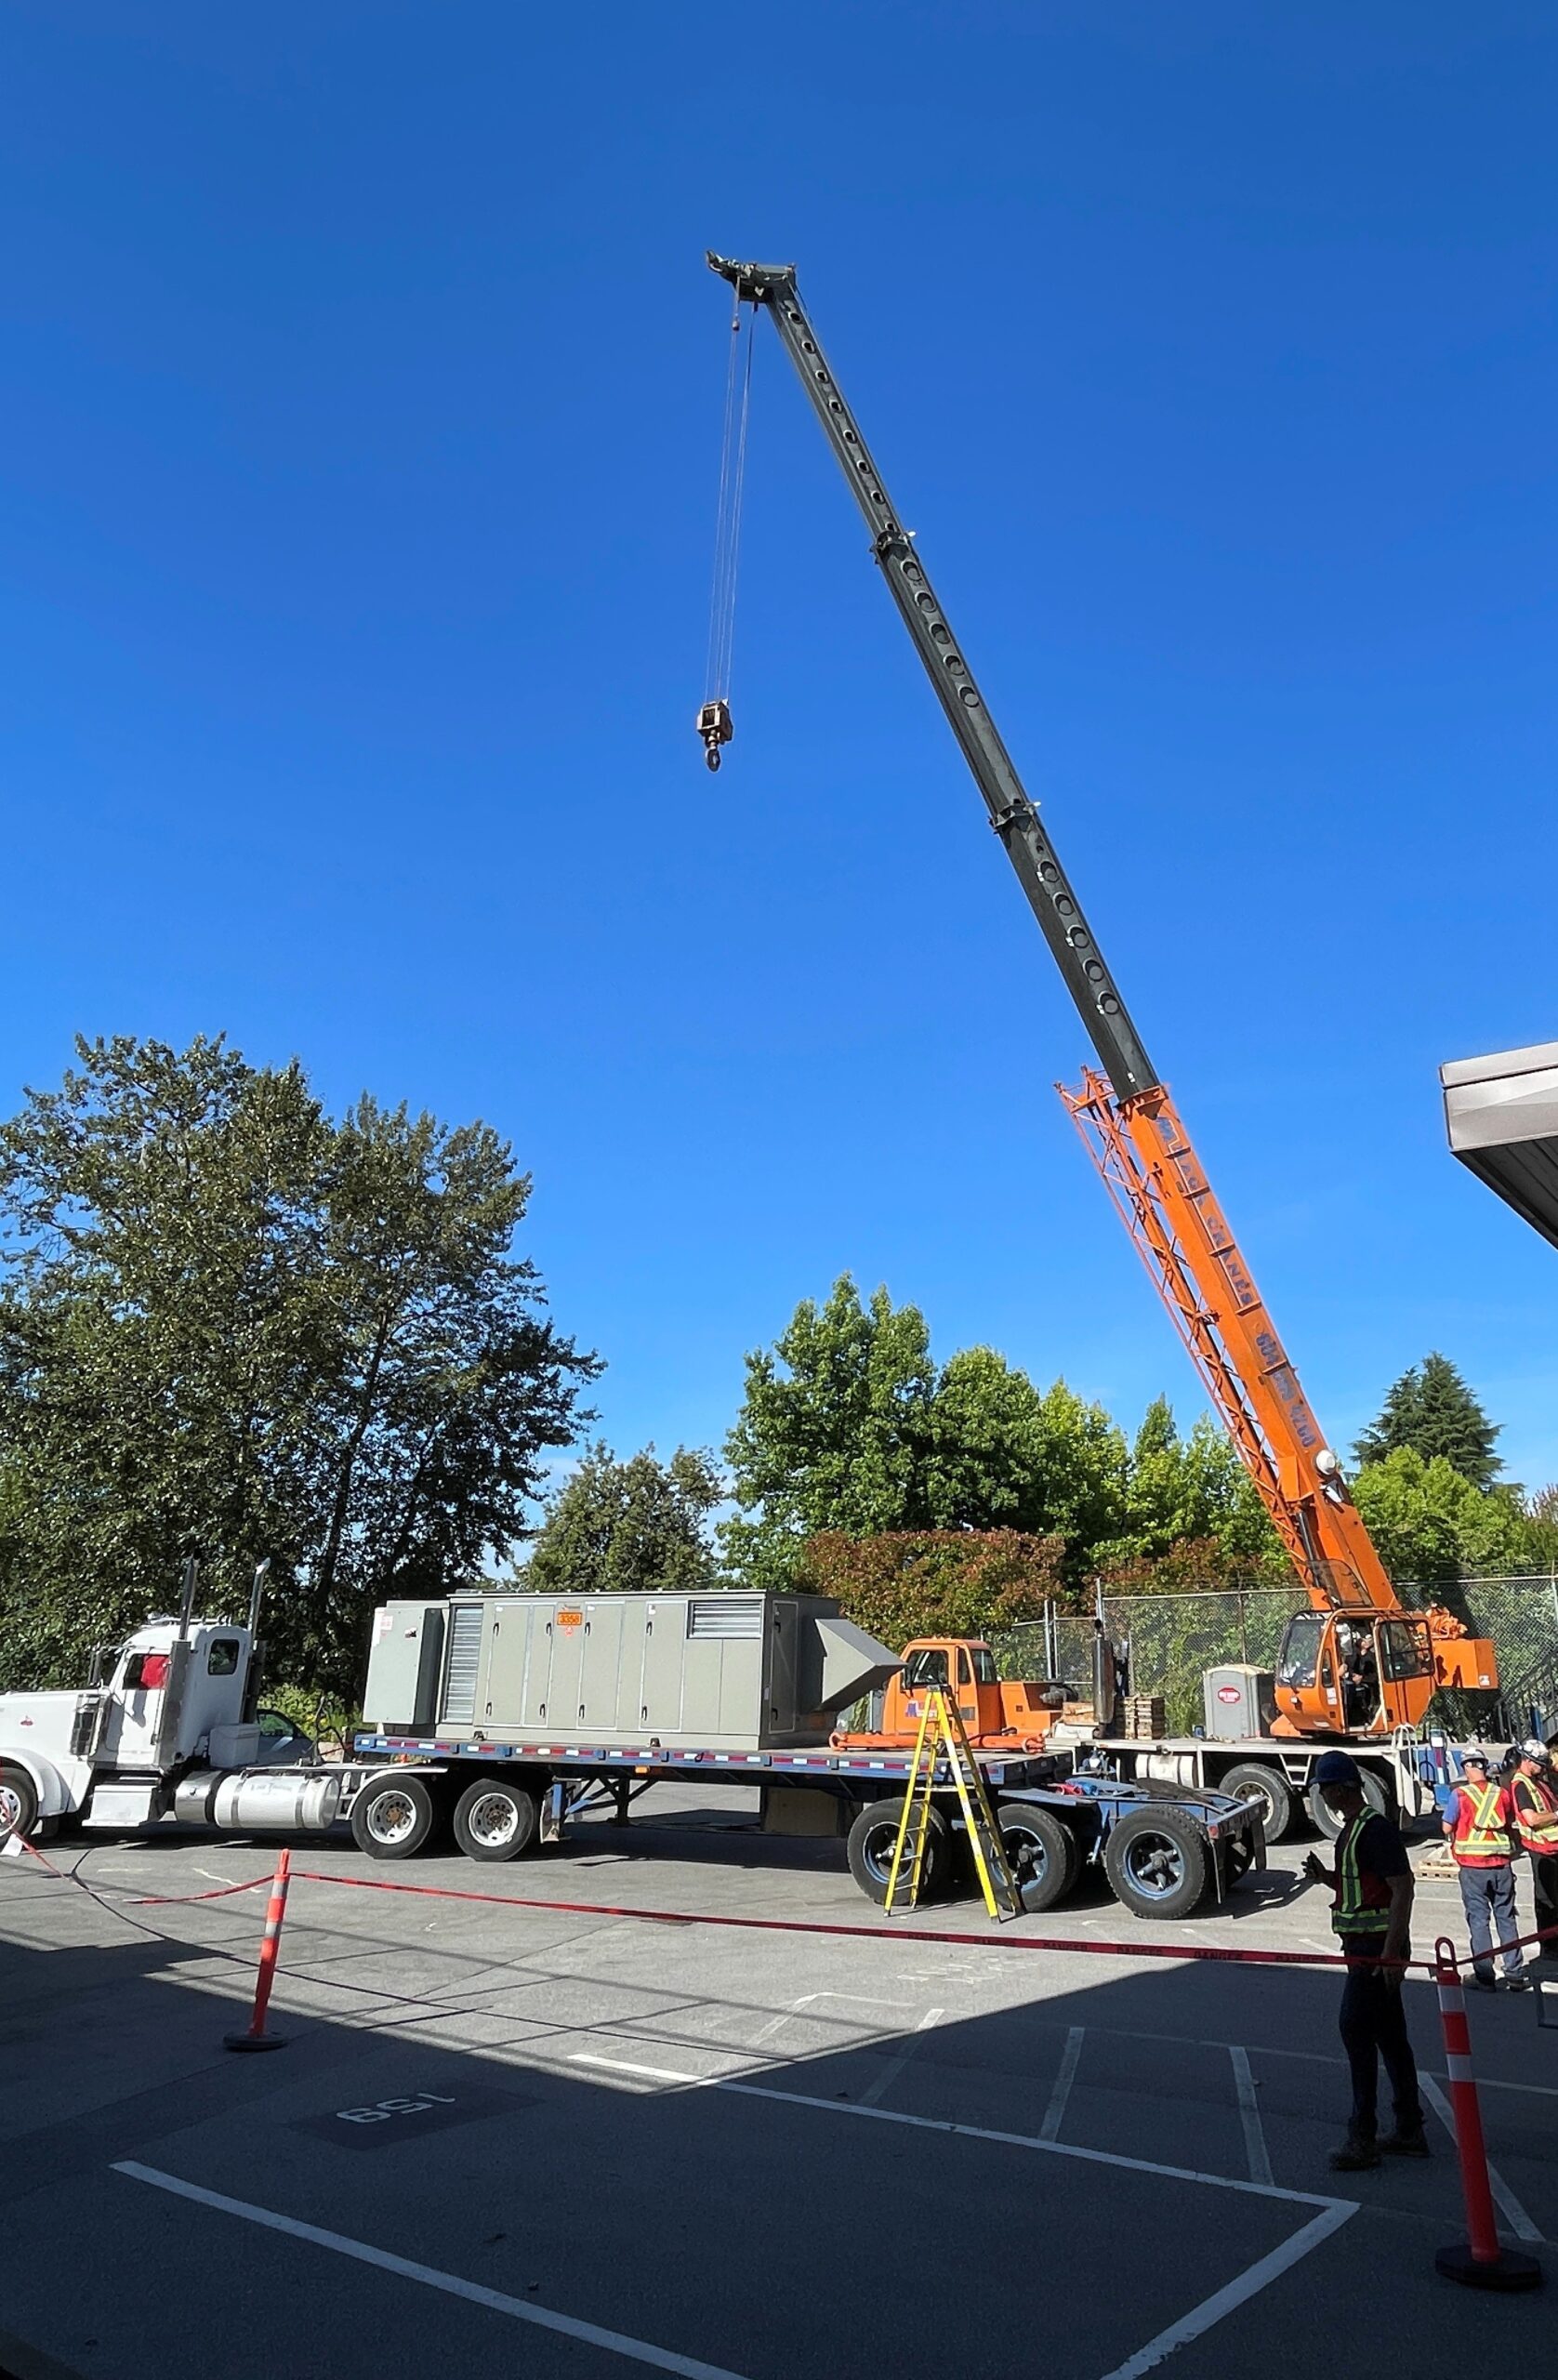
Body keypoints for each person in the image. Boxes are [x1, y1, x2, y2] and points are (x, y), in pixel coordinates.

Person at [1303, 1749, 1427, 2171]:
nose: (1324, 1797)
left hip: (1373, 1952)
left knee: (1356, 2031)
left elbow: (1402, 1888)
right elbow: (1365, 1885)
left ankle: (1363, 2138)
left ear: (1339, 1789)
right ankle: (1409, 2128)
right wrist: (1326, 1879)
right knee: (1391, 2037)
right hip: (1369, 1947)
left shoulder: (1372, 1830)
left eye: (1325, 1789)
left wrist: (1392, 1952)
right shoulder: (1355, 1830)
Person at [1443, 1749, 1528, 1991]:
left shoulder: (1459, 1795)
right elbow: (1510, 1823)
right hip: (1501, 1866)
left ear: (1467, 1768)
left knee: (1479, 1921)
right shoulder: (1501, 1794)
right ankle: (1515, 1974)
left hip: (1473, 1868)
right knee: (1507, 1918)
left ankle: (1485, 1976)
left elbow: (1447, 1827)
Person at [1510, 1739, 1558, 1964]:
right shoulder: (1521, 1785)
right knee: (1546, 1900)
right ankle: (1549, 1947)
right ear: (1527, 1761)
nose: (1543, 1768)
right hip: (1541, 1850)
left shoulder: (1538, 1782)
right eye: (1539, 1764)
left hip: (1552, 1847)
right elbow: (1531, 1819)